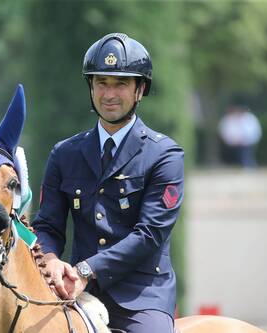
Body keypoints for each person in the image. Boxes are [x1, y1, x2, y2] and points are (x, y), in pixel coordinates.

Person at [32, 33, 184, 333]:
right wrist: (49, 259)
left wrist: (87, 270)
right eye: (102, 83)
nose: (109, 94)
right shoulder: (64, 154)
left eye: (121, 84)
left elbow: (150, 234)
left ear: (140, 89)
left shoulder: (164, 154)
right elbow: (47, 225)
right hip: (75, 290)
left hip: (141, 297)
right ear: (91, 87)